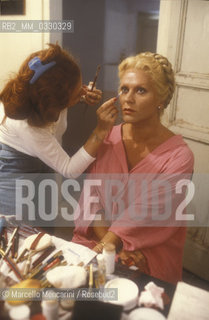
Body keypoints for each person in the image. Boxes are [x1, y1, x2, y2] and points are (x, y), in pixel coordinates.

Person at [72, 52, 194, 284]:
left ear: (161, 98)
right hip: (102, 236)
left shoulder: (179, 156)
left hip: (147, 248)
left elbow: (145, 212)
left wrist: (110, 245)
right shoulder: (108, 137)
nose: (128, 98)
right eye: (124, 89)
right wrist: (108, 246)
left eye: (140, 90)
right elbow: (92, 199)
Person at [0, 43, 118, 216]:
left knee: (44, 221)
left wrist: (82, 95)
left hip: (39, 159)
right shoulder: (29, 127)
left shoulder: (42, 96)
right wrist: (100, 131)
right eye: (78, 92)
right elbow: (69, 170)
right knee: (18, 229)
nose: (83, 91)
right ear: (57, 101)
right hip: (15, 169)